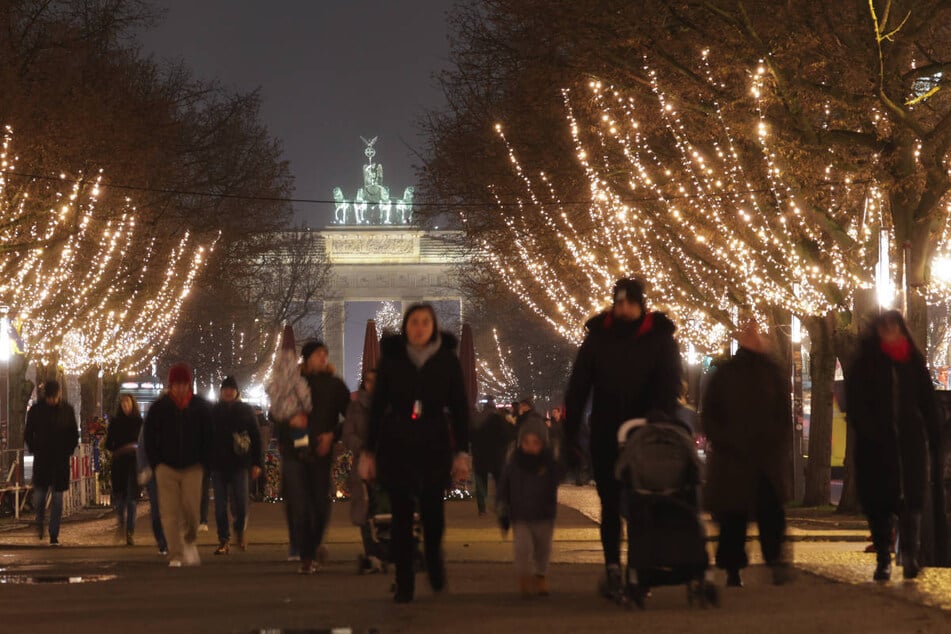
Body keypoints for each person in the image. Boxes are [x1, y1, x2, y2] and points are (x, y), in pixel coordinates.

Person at [564, 277, 682, 597]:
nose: (624, 308)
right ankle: (613, 566)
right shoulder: (598, 338)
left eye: (630, 302)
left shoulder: (659, 338)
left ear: (641, 304)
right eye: (619, 302)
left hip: (644, 434)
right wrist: (570, 430)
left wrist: (661, 414)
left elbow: (670, 382)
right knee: (610, 503)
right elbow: (579, 386)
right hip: (605, 432)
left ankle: (639, 568)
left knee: (642, 503)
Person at [361, 303, 471, 603]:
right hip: (397, 444)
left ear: (433, 326)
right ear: (406, 327)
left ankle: (434, 560)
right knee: (400, 518)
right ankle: (404, 580)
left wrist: (462, 451)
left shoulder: (447, 360)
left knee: (434, 515)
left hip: (434, 443)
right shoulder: (392, 359)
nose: (419, 328)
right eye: (414, 322)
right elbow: (377, 407)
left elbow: (460, 408)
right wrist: (368, 451)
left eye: (425, 322)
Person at [845, 310, 942, 581]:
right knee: (879, 504)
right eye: (885, 327)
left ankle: (910, 555)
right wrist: (869, 430)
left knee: (912, 502)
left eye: (895, 326)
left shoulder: (912, 361)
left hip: (909, 443)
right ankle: (883, 559)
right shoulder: (865, 363)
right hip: (876, 446)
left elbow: (927, 400)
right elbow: (855, 403)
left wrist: (934, 433)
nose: (890, 331)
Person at [701, 321, 793, 587]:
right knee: (734, 517)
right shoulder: (727, 373)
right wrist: (724, 441)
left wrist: (776, 442)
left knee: (770, 514)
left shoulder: (772, 372)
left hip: (765, 458)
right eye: (749, 332)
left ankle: (775, 562)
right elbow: (710, 414)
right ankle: (733, 568)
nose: (754, 336)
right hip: (734, 457)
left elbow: (782, 414)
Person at [278, 340, 350, 574]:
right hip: (295, 451)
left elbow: (350, 415)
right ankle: (306, 557)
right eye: (318, 354)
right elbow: (275, 412)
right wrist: (289, 420)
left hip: (321, 451)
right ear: (307, 358)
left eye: (325, 354)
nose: (323, 357)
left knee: (320, 504)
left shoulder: (335, 385)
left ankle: (313, 545)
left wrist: (332, 435)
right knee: (299, 505)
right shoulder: (292, 383)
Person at [144, 363, 213, 567]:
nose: (180, 388)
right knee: (169, 512)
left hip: (193, 466)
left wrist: (205, 461)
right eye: (176, 384)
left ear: (189, 385)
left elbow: (209, 435)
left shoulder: (200, 407)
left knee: (192, 509)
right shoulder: (160, 408)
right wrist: (156, 462)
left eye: (184, 384)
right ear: (170, 385)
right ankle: (175, 553)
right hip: (166, 467)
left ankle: (190, 539)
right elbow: (149, 436)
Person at [497, 416, 563, 597]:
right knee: (522, 548)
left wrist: (557, 458)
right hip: (521, 515)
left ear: (543, 443)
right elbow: (504, 486)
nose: (531, 446)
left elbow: (558, 477)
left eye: (536, 442)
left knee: (543, 548)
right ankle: (524, 576)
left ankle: (540, 575)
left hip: (544, 514)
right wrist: (502, 507)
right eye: (526, 442)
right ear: (520, 443)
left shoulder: (549, 464)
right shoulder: (514, 464)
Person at [209, 376, 263, 555]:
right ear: (221, 391)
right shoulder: (214, 411)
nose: (228, 392)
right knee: (220, 506)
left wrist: (257, 463)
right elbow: (205, 438)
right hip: (218, 464)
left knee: (241, 502)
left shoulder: (245, 410)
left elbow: (256, 437)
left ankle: (239, 529)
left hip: (240, 463)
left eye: (231, 389)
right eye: (225, 389)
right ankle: (223, 539)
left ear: (236, 392)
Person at [24, 380, 79, 546]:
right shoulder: (36, 410)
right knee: (40, 496)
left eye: (55, 397)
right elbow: (28, 433)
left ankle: (54, 533)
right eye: (51, 398)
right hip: (43, 459)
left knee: (57, 498)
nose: (54, 401)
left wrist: (68, 450)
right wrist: (35, 448)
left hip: (59, 460)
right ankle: (40, 520)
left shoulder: (66, 410)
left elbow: (73, 434)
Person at [341, 368, 381, 570]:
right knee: (365, 509)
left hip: (385, 462)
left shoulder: (388, 405)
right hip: (363, 463)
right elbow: (348, 434)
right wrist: (363, 446)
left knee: (383, 507)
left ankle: (382, 549)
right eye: (369, 381)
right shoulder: (355, 407)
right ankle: (371, 551)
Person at [105, 393, 143, 546]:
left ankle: (130, 531)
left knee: (132, 499)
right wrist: (118, 447)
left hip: (133, 464)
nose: (126, 406)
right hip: (120, 463)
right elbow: (109, 443)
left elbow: (144, 442)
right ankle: (121, 521)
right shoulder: (115, 422)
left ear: (132, 404)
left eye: (128, 403)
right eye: (123, 404)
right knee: (120, 498)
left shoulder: (139, 422)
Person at [471, 401, 515, 516]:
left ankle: (482, 509)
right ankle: (498, 505)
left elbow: (471, 436)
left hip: (479, 457)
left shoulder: (477, 419)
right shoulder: (498, 419)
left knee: (481, 483)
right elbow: (507, 436)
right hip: (496, 456)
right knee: (499, 482)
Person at [136, 424, 168, 555]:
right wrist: (143, 468)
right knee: (156, 507)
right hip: (153, 472)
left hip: (169, 472)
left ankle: (169, 539)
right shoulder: (149, 426)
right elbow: (141, 448)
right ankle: (162, 540)